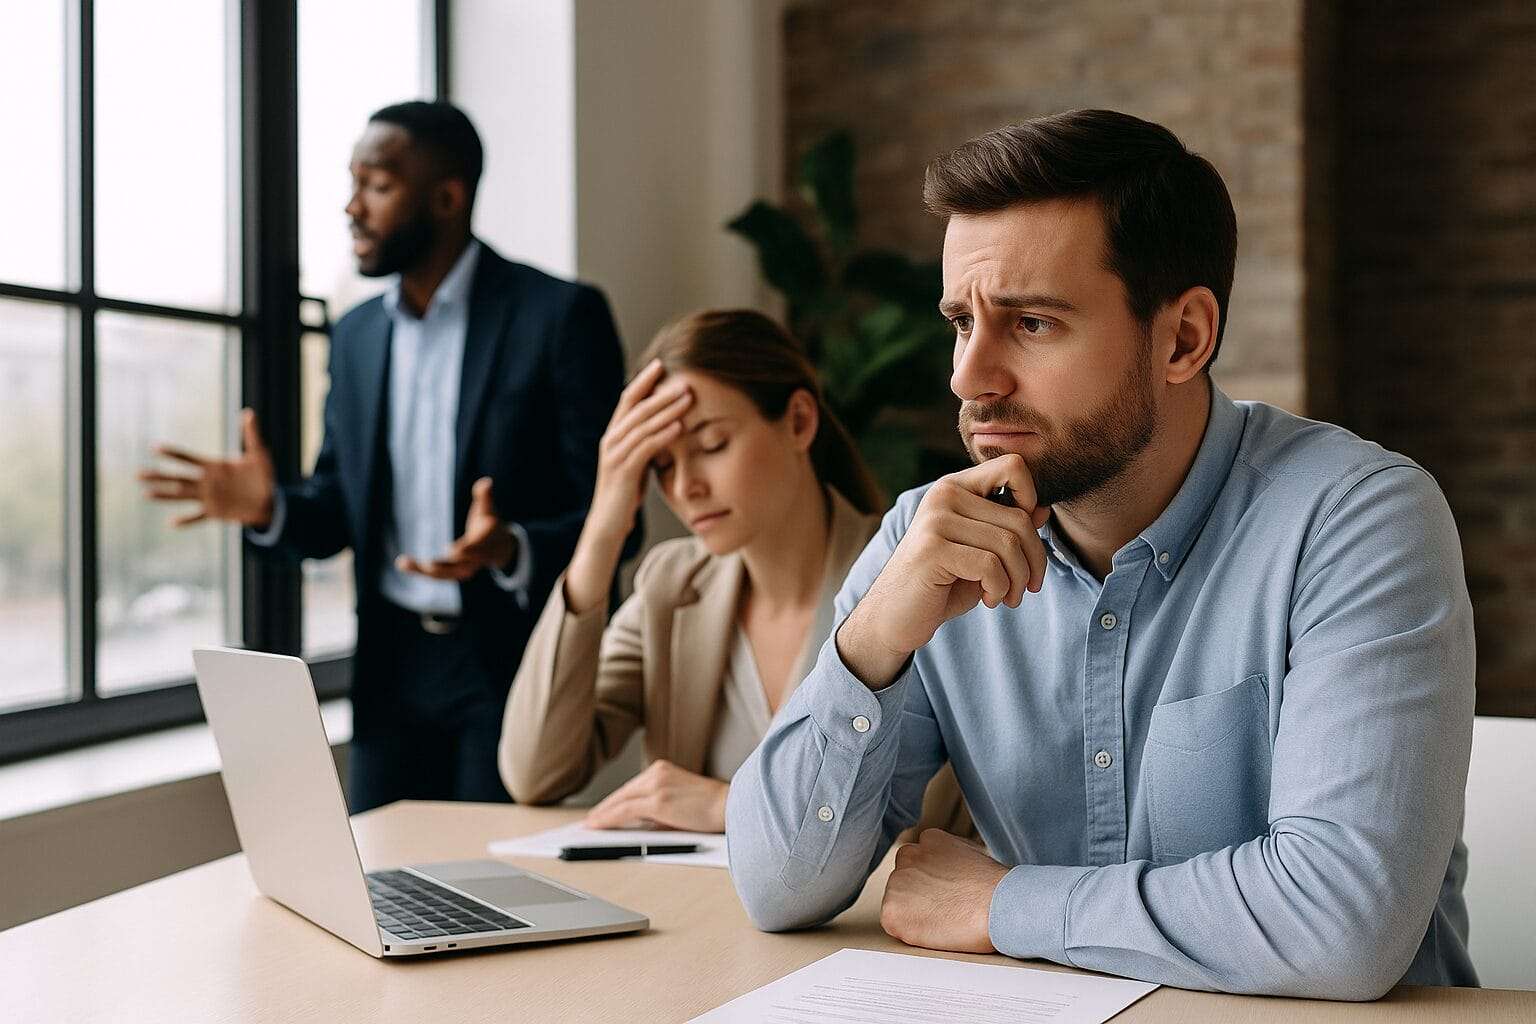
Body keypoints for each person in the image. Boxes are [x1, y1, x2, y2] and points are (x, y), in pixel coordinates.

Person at [726, 110, 1478, 1000]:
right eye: (961, 321)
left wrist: (1005, 904)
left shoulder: (1356, 521)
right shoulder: (926, 541)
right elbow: (776, 885)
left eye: (1032, 323)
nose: (971, 376)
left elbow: (1342, 927)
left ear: (1184, 339)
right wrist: (874, 637)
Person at [140, 101, 629, 811]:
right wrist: (270, 508)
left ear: (447, 196)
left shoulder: (558, 316)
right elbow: (337, 508)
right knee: (382, 892)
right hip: (391, 668)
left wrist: (510, 547)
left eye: (376, 184)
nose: (351, 207)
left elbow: (614, 520)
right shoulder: (358, 335)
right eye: (352, 183)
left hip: (511, 664)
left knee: (499, 899)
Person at [498, 310, 970, 838]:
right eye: (663, 466)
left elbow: (936, 814)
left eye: (710, 446)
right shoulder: (670, 587)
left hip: (867, 920)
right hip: (694, 914)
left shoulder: (915, 580)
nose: (686, 488)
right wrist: (603, 528)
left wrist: (730, 807)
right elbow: (535, 772)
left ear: (798, 421)